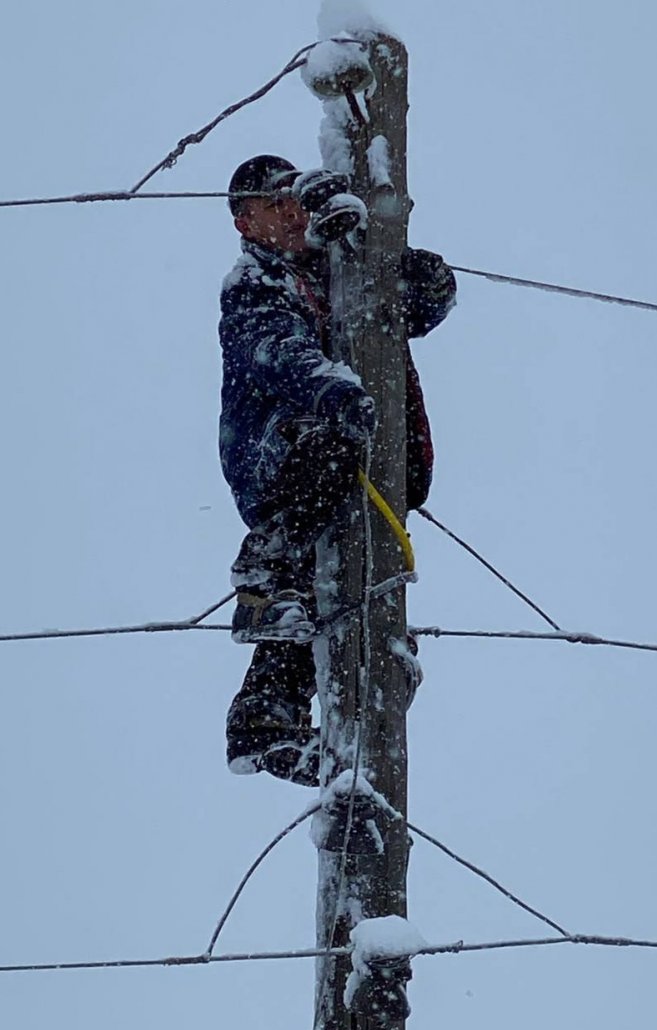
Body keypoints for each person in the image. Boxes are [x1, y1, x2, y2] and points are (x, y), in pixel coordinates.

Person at [219, 154, 456, 786]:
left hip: (365, 464)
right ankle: (260, 574)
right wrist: (336, 392)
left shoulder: (336, 267)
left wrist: (404, 263)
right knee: (300, 563)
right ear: (245, 221)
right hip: (285, 450)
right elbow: (276, 351)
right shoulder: (253, 283)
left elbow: (416, 303)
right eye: (275, 204)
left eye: (296, 199)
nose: (292, 212)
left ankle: (266, 721)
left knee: (327, 586)